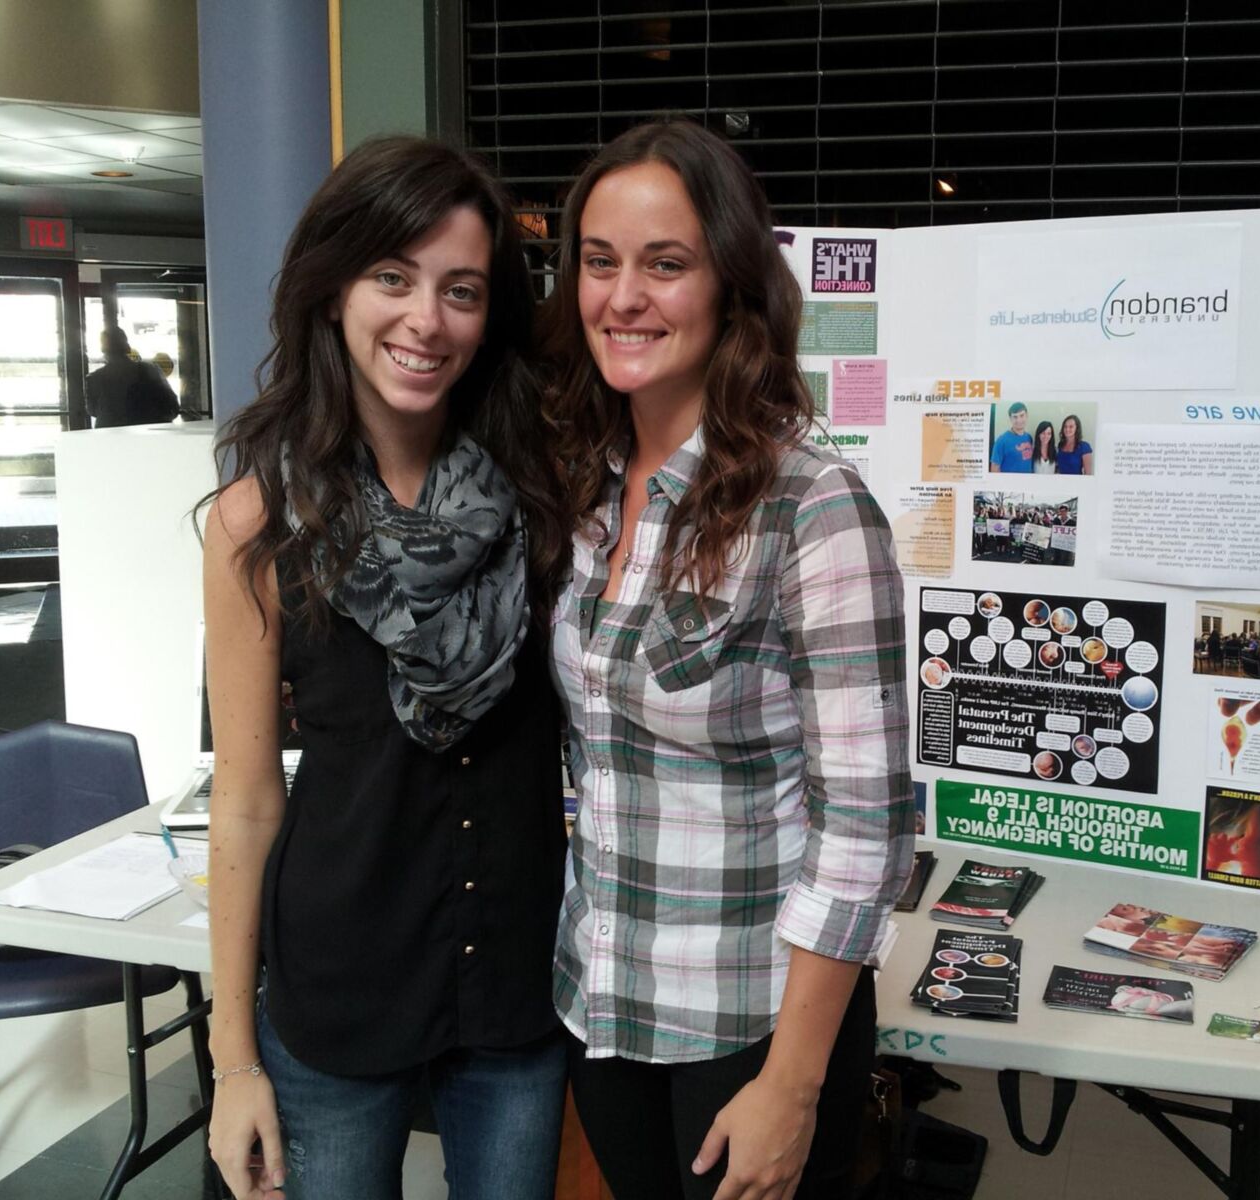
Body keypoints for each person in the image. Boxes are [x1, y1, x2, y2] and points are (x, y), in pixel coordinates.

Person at [538, 117, 914, 1200]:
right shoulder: (587, 483)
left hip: (750, 1029)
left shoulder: (811, 505)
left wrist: (793, 1085)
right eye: (599, 263)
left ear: (731, 284)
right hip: (604, 1004)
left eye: (666, 264)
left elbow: (865, 831)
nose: (623, 297)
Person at [199, 137, 568, 1200]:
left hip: (514, 986)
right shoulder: (257, 526)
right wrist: (234, 1064)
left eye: (460, 291)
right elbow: (247, 798)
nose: (426, 321)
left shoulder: (543, 498)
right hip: (336, 993)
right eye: (392, 279)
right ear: (332, 292)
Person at [85, 325, 179, 426]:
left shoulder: (94, 379)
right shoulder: (150, 371)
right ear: (127, 347)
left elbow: (93, 411)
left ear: (103, 349)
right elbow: (172, 407)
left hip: (110, 437)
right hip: (150, 435)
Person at [989, 400, 1033, 472]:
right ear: (1010, 418)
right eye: (1015, 417)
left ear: (1027, 416)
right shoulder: (1001, 441)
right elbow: (994, 469)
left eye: (1022, 415)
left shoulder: (1029, 437)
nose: (1019, 420)